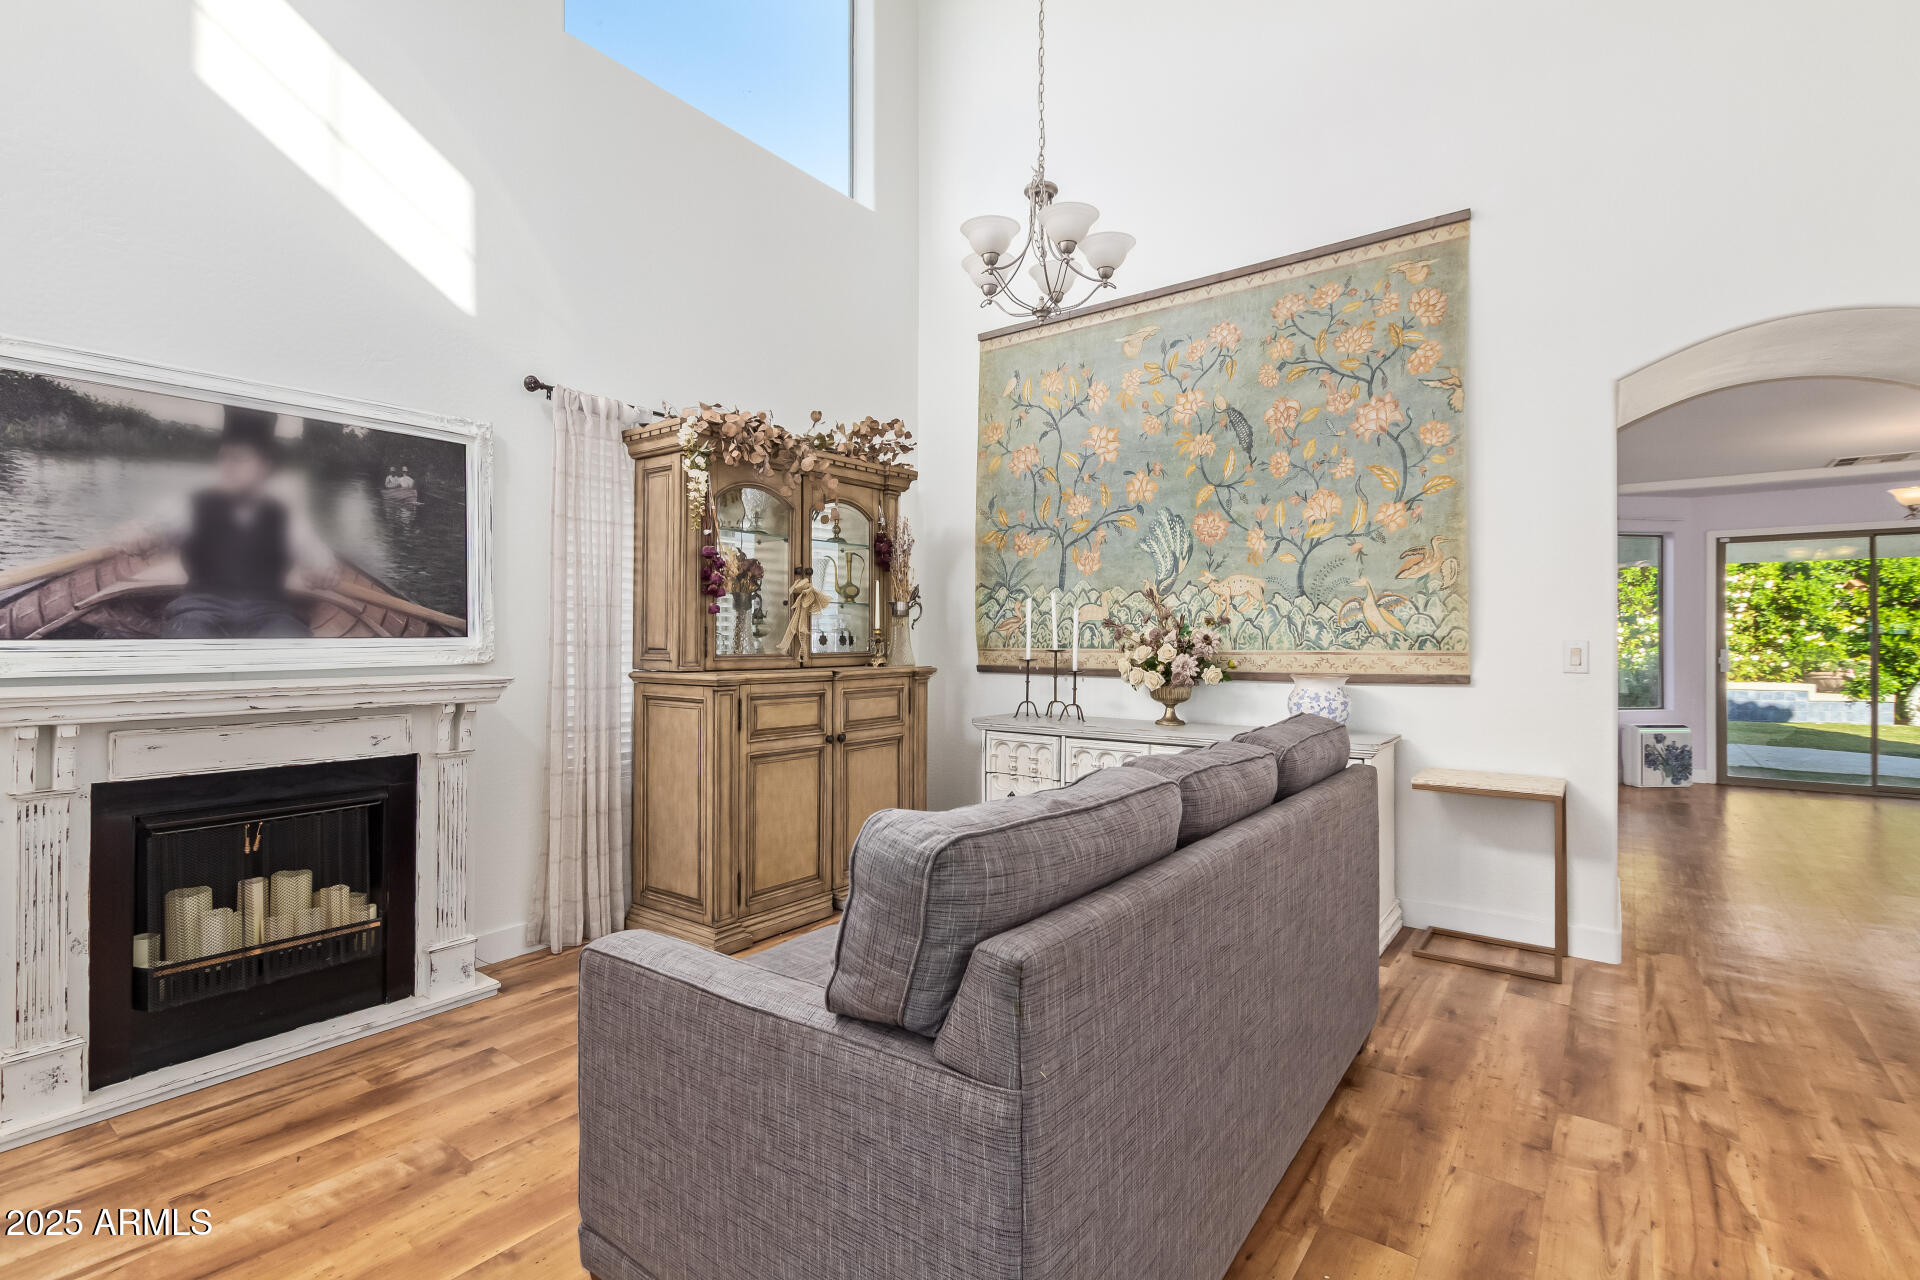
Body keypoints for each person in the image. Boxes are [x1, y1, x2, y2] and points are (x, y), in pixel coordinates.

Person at [118, 407, 339, 638]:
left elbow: (318, 557)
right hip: (199, 610)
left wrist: (323, 570)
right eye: (225, 457)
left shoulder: (286, 514)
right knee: (186, 646)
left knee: (292, 653)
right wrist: (140, 534)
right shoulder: (192, 505)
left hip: (272, 613)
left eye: (239, 458)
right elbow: (156, 528)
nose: (228, 466)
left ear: (264, 467)